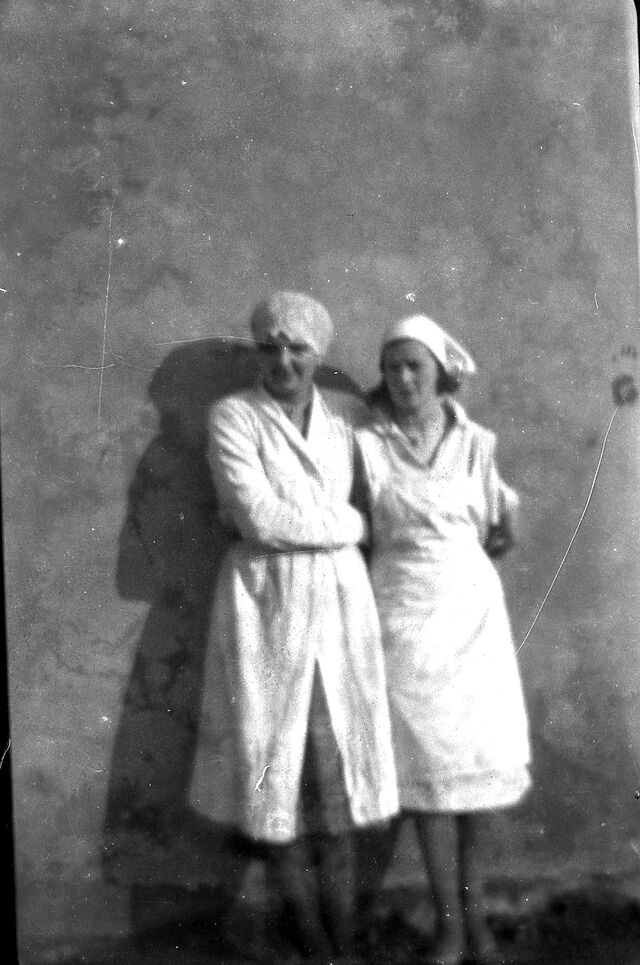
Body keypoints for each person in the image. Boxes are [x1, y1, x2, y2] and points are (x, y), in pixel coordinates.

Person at [189, 291, 398, 963]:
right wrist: (349, 524)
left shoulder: (348, 417)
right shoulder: (234, 416)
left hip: (338, 606)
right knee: (272, 770)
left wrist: (354, 521)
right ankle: (312, 938)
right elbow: (258, 517)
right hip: (267, 605)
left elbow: (387, 498)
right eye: (270, 347)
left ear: (319, 352)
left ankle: (345, 940)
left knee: (338, 784)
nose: (282, 361)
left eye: (297, 348)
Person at [355, 315, 531, 965]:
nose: (403, 380)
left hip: (471, 615)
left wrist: (465, 559)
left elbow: (499, 528)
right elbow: (359, 529)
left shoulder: (477, 443)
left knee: (474, 773)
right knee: (427, 770)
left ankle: (478, 924)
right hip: (402, 615)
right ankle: (451, 929)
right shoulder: (366, 446)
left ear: (439, 373)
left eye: (415, 367)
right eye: (392, 368)